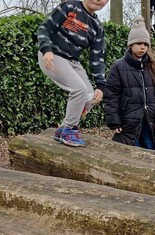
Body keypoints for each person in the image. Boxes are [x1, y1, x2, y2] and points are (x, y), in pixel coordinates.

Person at [37, 0, 109, 147]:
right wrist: (46, 49)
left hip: (72, 61)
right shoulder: (69, 7)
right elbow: (44, 28)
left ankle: (63, 128)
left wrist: (101, 85)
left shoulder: (97, 28)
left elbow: (97, 58)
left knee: (89, 98)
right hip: (52, 56)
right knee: (79, 90)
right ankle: (69, 130)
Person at [104, 16, 155, 151]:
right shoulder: (118, 67)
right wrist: (114, 121)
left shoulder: (153, 67)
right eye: (139, 43)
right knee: (129, 153)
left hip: (149, 120)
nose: (143, 47)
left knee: (151, 150)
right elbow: (111, 96)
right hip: (128, 121)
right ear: (131, 45)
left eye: (146, 44)